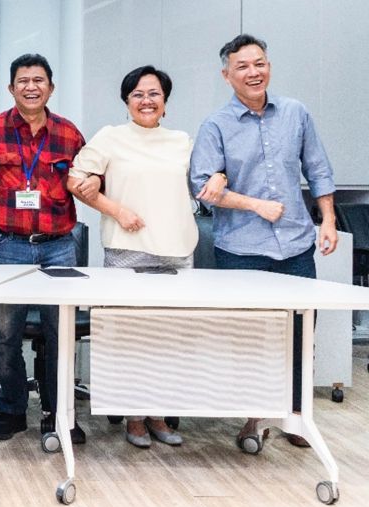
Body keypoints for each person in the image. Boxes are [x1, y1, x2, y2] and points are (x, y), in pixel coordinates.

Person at [189, 34, 337, 450]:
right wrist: (254, 204)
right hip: (242, 250)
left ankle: (295, 416)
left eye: (260, 63)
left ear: (268, 66)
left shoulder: (296, 113)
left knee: (300, 333)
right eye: (243, 66)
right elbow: (202, 187)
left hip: (295, 246)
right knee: (252, 339)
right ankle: (255, 419)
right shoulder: (216, 125)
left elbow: (319, 170)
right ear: (227, 74)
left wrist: (326, 220)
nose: (253, 72)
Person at [67, 65, 198, 448]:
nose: (146, 100)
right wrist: (116, 210)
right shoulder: (110, 137)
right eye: (138, 94)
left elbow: (204, 182)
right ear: (126, 101)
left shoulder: (181, 141)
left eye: (154, 94)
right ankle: (134, 417)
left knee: (168, 340)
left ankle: (159, 414)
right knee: (129, 339)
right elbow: (76, 181)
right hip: (128, 251)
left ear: (166, 103)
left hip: (176, 251)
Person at [0, 53, 87, 443]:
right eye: (23, 81)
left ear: (50, 87)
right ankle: (13, 410)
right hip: (6, 246)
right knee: (5, 335)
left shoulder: (69, 134)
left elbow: (88, 180)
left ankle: (59, 415)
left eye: (39, 80)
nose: (31, 87)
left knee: (60, 334)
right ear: (11, 88)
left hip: (58, 249)